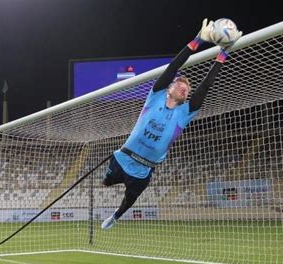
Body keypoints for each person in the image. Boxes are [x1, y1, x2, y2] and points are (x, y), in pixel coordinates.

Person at [101, 19, 242, 230]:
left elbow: (205, 86)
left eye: (187, 89)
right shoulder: (155, 97)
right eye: (180, 84)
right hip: (123, 157)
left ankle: (115, 216)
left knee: (130, 199)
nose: (184, 88)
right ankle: (109, 179)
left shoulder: (185, 112)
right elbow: (174, 66)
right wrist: (197, 41)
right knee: (106, 182)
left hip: (144, 170)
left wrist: (222, 55)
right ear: (169, 88)